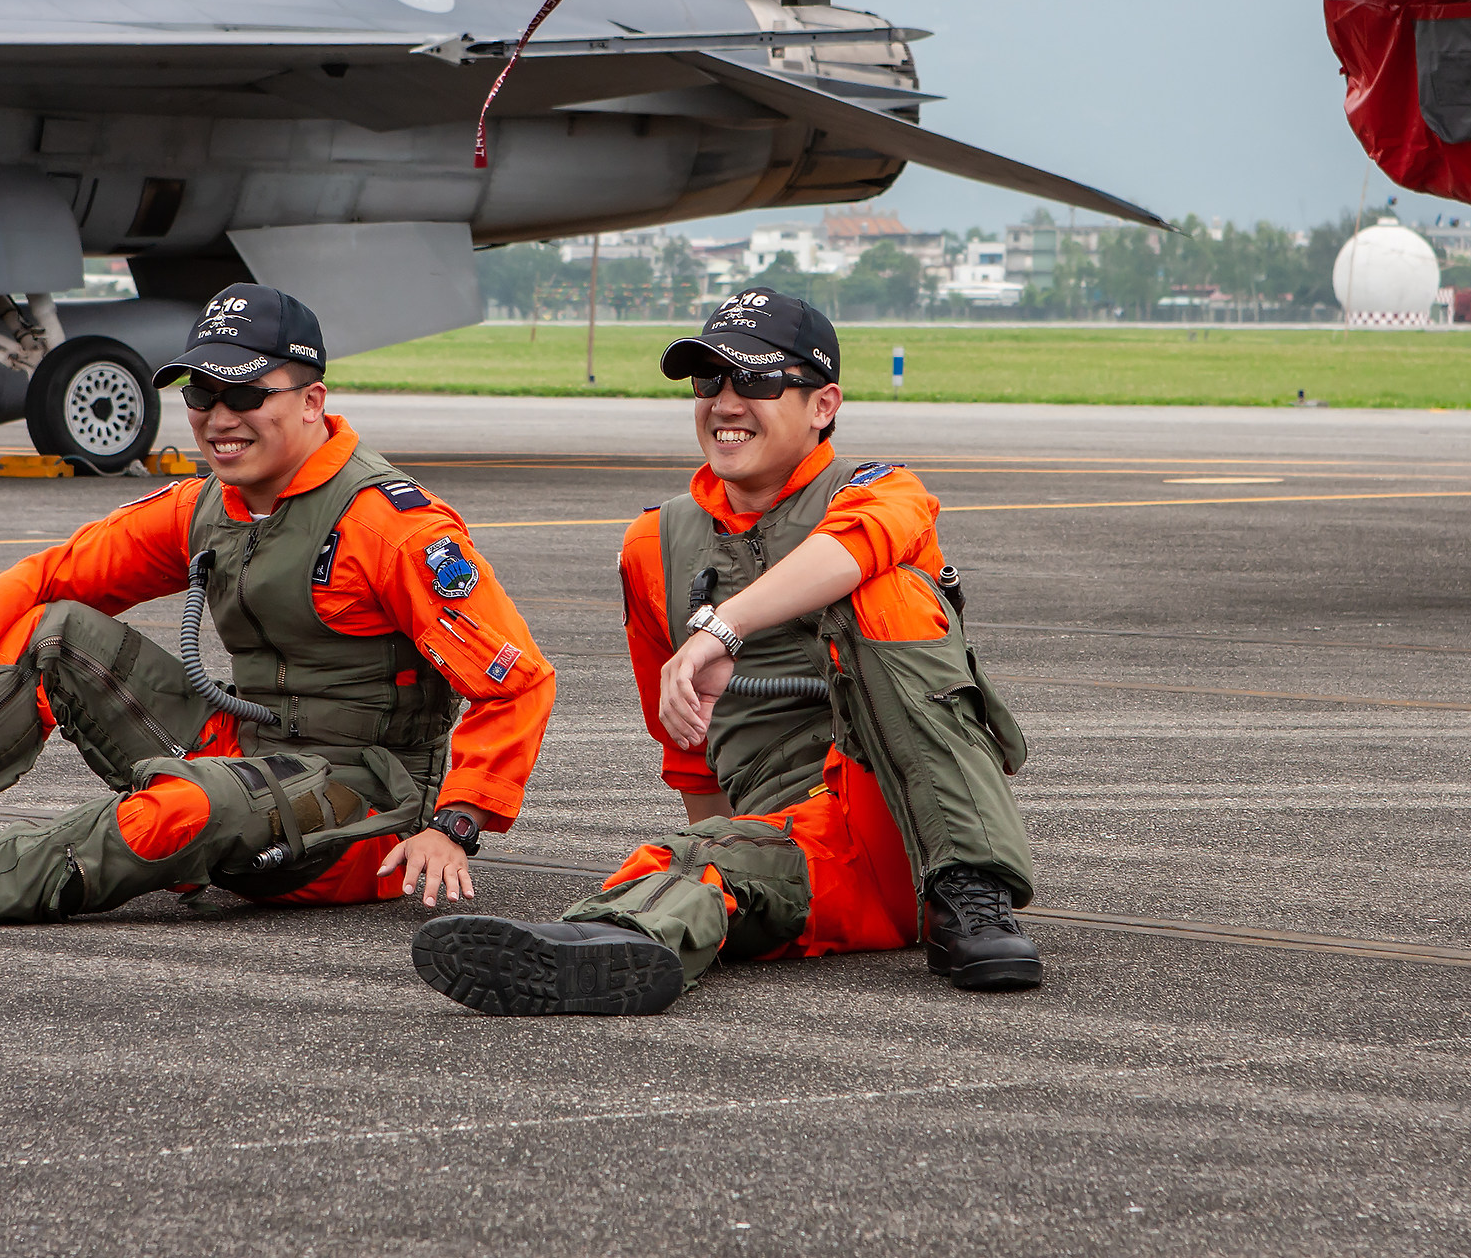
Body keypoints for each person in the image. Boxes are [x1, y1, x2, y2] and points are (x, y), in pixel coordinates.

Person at [0, 283, 553, 928]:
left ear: (312, 400)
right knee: (53, 632)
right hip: (246, 751)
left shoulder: (393, 527)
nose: (218, 418)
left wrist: (455, 825)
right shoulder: (208, 505)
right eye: (201, 394)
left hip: (364, 806)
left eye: (245, 394)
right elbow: (52, 576)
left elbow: (516, 681)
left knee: (181, 808)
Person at [410, 289, 1039, 1015]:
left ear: (823, 405)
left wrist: (721, 629)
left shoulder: (881, 494)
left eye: (757, 381)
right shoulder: (658, 543)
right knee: (690, 863)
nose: (726, 402)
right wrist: (725, 837)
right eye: (709, 380)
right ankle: (595, 949)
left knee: (886, 591)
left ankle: (973, 893)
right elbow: (686, 745)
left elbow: (852, 549)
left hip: (912, 827)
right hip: (804, 845)